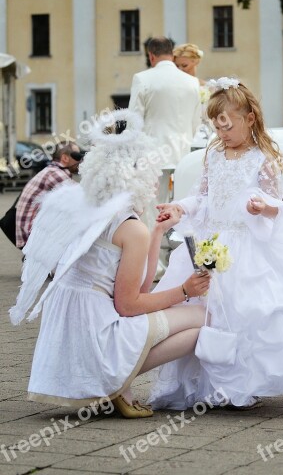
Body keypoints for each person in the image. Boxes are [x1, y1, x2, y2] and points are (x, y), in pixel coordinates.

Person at [149, 78, 283, 410]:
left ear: (249, 118)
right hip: (212, 246)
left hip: (246, 247)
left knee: (246, 315)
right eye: (216, 126)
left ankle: (241, 385)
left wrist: (263, 207)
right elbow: (203, 199)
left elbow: (276, 203)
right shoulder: (215, 156)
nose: (221, 133)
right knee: (208, 314)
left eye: (228, 125)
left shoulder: (260, 159)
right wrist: (182, 207)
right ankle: (205, 385)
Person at [9, 109, 210, 418]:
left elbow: (138, 288)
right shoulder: (130, 228)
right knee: (200, 317)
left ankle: (114, 384)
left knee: (180, 317)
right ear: (136, 176)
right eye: (152, 172)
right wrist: (184, 290)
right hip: (95, 333)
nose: (156, 179)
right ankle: (115, 384)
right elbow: (129, 306)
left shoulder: (87, 206)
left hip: (73, 330)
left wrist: (157, 232)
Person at [128, 37, 201, 227]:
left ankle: (155, 255)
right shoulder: (192, 82)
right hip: (183, 155)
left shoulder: (142, 79)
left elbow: (134, 122)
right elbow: (196, 123)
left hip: (152, 157)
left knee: (152, 211)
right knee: (181, 208)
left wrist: (130, 157)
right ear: (171, 54)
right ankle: (179, 251)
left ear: (151, 56)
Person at [15, 142, 83, 249]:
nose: (80, 160)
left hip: (28, 231)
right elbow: (81, 199)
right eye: (77, 156)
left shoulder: (52, 170)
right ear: (65, 158)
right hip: (30, 236)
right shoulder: (55, 174)